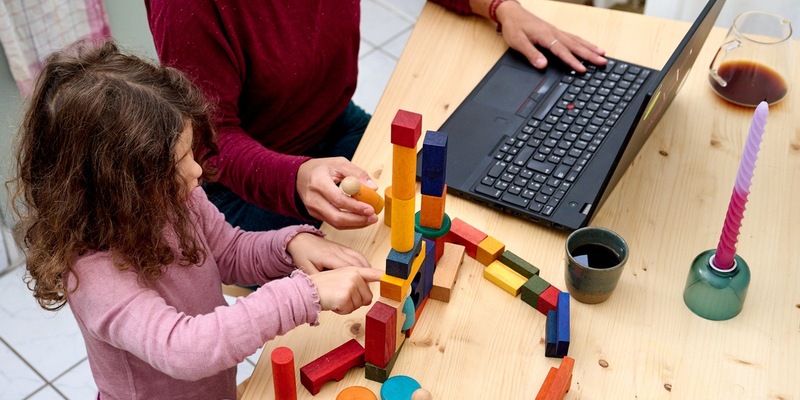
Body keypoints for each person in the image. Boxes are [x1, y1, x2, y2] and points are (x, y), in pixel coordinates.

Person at [9, 41, 383, 399]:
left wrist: (291, 245)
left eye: (190, 152)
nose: (196, 170)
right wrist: (305, 295)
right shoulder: (94, 276)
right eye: (178, 163)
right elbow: (186, 349)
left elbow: (230, 251)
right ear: (119, 187)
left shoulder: (173, 197)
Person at [144, 0, 607, 232]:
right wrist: (297, 177)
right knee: (397, 274)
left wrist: (500, 7)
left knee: (458, 205)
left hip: (330, 125)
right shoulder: (186, 8)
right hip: (246, 186)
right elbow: (211, 142)